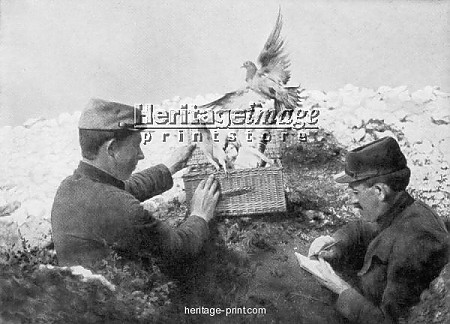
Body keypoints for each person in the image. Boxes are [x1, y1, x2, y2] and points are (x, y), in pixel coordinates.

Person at [51, 98, 220, 269]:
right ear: (112, 149)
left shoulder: (70, 187)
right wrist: (200, 215)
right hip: (115, 294)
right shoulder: (118, 206)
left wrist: (169, 168)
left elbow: (127, 188)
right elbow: (178, 249)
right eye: (136, 146)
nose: (141, 155)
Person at [307, 136, 449, 323]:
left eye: (356, 192)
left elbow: (391, 321)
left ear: (380, 191)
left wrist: (341, 289)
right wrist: (335, 243)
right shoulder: (400, 208)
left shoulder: (414, 244)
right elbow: (363, 229)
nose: (352, 201)